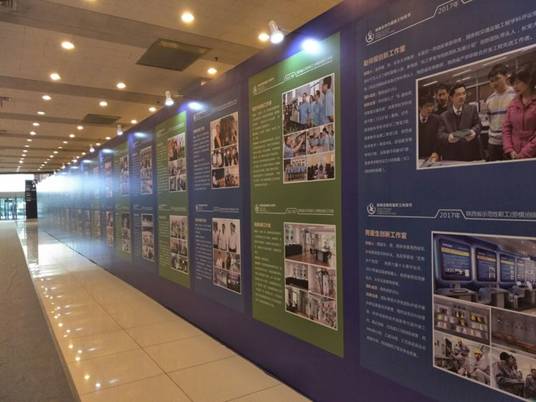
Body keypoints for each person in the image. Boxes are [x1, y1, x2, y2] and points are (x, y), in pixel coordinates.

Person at [438, 83, 482, 161]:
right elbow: (440, 134)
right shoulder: (444, 116)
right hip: (452, 155)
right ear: (451, 98)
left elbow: (478, 125)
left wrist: (473, 131)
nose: (462, 97)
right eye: (458, 94)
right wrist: (448, 137)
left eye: (464, 93)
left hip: (471, 153)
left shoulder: (472, 109)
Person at [503, 65, 536, 160]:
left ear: (529, 81)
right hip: (514, 154)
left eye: (518, 83)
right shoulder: (513, 103)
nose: (514, 87)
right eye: (513, 83)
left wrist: (524, 154)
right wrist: (509, 149)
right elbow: (506, 127)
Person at [485, 63, 516, 161]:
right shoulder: (489, 99)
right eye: (491, 81)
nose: (494, 83)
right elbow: (491, 122)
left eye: (497, 79)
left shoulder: (515, 94)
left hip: (511, 142)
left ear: (506, 76)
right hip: (493, 143)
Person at [418, 95, 442, 161]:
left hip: (432, 156)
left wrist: (436, 152)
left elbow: (438, 138)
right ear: (419, 107)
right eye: (427, 106)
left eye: (431, 106)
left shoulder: (437, 119)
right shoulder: (413, 120)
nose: (430, 109)